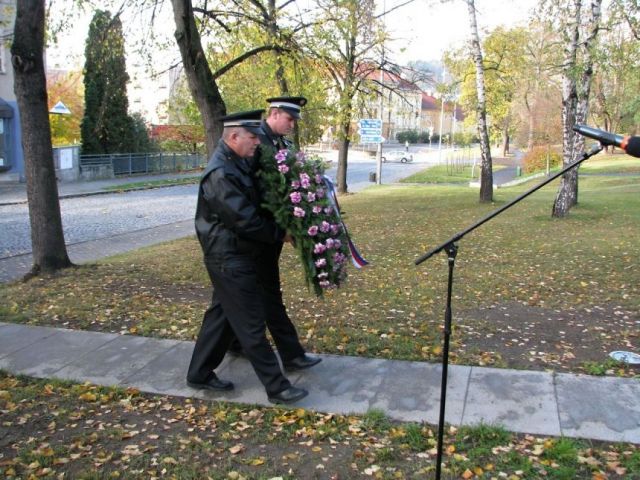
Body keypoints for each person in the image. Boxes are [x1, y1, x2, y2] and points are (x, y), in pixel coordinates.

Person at [186, 110, 308, 404]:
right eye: (253, 137)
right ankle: (277, 387)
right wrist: (281, 234)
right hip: (228, 258)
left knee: (221, 317)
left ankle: (199, 373)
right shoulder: (220, 174)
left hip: (236, 254)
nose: (257, 142)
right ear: (234, 137)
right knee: (251, 323)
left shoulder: (237, 162)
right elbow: (246, 220)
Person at [227, 96, 322, 372]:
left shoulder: (280, 142)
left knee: (227, 298)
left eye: (294, 121)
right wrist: (278, 228)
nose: (292, 125)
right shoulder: (257, 142)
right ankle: (291, 354)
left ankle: (233, 342)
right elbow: (256, 189)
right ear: (275, 113)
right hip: (261, 232)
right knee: (268, 293)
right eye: (289, 119)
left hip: (270, 231)